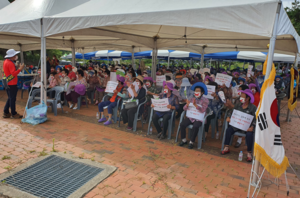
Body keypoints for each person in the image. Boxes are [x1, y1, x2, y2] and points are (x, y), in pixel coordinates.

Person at [221, 89, 257, 162]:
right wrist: (228, 116)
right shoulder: (238, 105)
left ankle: (249, 153)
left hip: (247, 128)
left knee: (250, 135)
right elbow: (230, 111)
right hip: (236, 125)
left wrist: (252, 127)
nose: (241, 98)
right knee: (228, 130)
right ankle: (226, 147)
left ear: (248, 98)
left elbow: (256, 119)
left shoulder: (253, 108)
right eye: (241, 96)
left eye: (243, 96)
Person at [179, 82, 209, 149]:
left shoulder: (205, 100)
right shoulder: (191, 99)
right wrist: (187, 104)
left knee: (195, 126)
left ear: (202, 92)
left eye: (198, 91)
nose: (196, 92)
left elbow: (202, 110)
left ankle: (191, 142)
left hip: (199, 118)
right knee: (182, 124)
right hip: (191, 117)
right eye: (195, 91)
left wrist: (195, 105)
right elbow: (184, 108)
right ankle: (183, 140)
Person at [3, 49, 25, 118]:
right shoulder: (10, 63)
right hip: (11, 83)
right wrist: (20, 69)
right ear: (12, 56)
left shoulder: (6, 61)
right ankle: (13, 113)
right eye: (15, 55)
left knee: (10, 98)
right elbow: (13, 74)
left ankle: (6, 112)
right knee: (12, 98)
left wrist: (17, 68)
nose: (16, 56)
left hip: (7, 82)